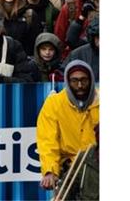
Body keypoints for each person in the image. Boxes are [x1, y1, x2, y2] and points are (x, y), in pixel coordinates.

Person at [36, 60, 99, 191]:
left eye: (84, 80)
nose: (80, 85)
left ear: (91, 80)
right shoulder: (54, 104)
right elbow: (47, 141)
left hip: (97, 167)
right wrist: (50, 171)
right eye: (74, 81)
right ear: (67, 82)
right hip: (69, 168)